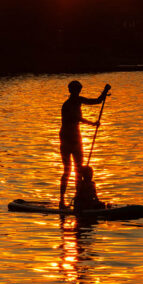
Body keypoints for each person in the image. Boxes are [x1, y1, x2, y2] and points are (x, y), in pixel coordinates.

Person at [59, 79, 110, 209]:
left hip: (76, 138)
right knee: (67, 170)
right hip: (67, 140)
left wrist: (105, 91)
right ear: (71, 91)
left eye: (79, 90)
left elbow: (97, 101)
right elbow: (76, 118)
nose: (78, 93)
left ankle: (79, 199)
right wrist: (92, 124)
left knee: (79, 170)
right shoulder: (67, 105)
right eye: (76, 90)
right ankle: (62, 200)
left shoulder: (79, 100)